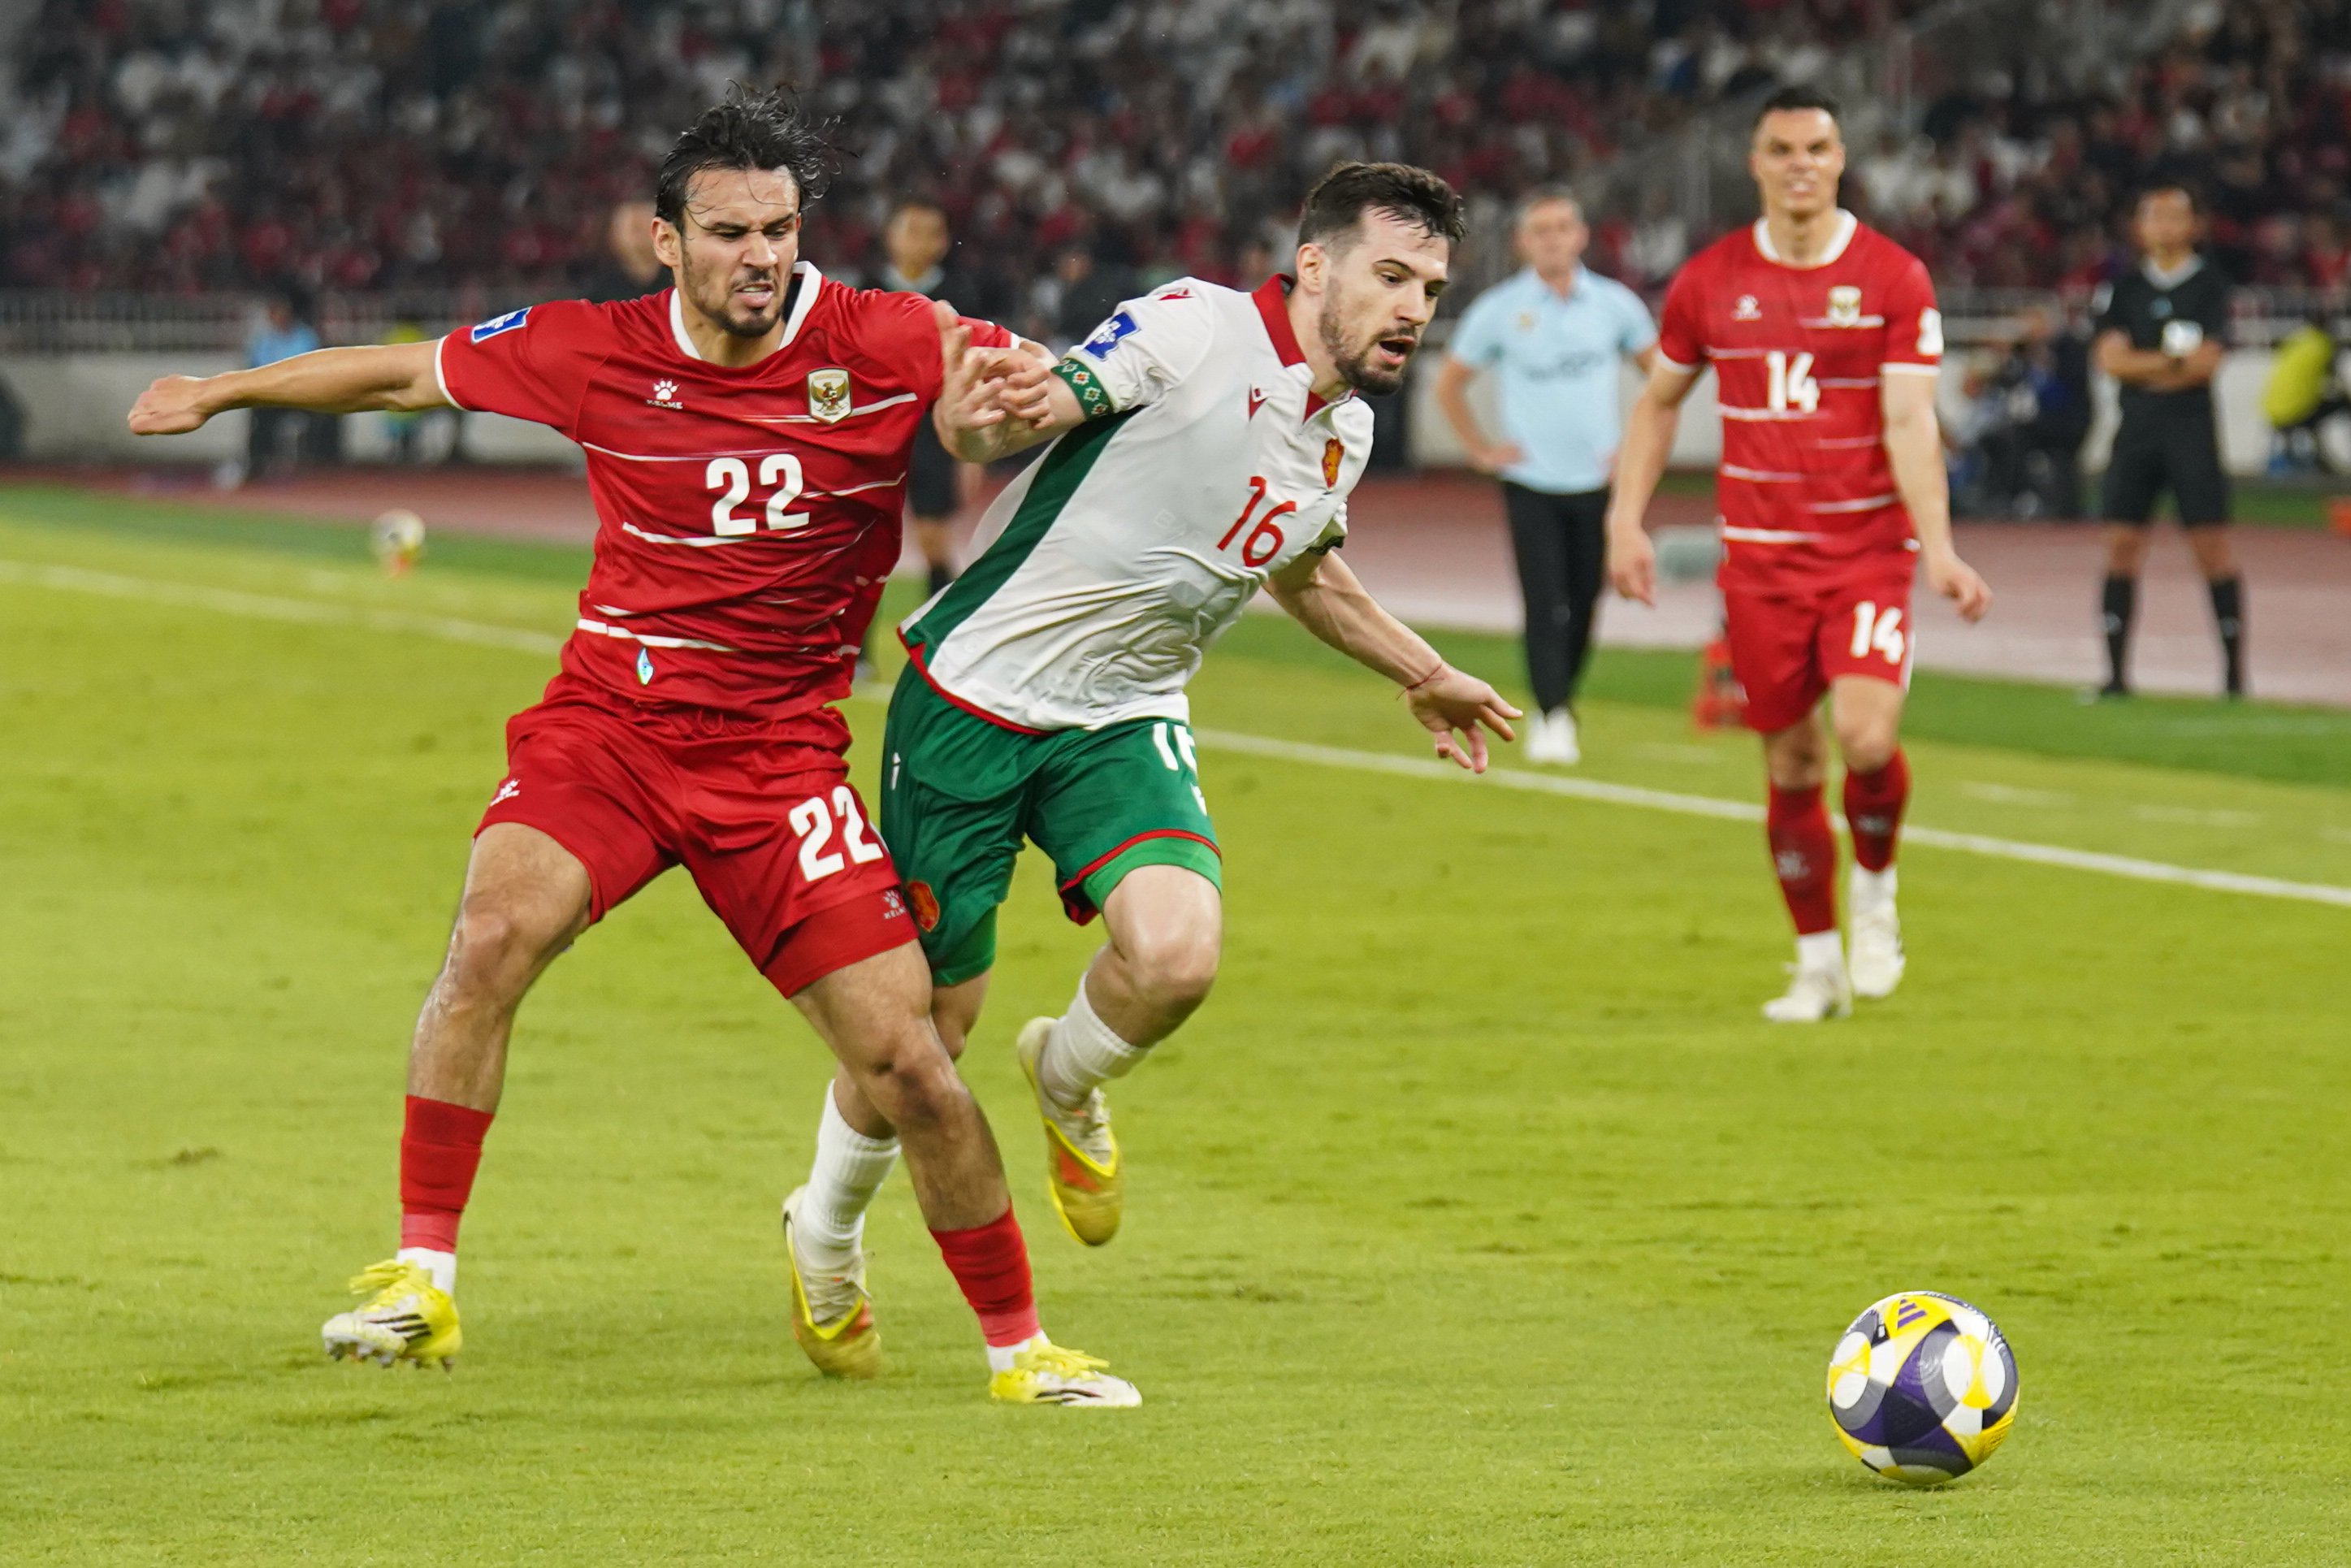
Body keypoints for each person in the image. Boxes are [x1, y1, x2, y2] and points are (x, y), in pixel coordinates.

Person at [126, 87, 1137, 1408]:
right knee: (489, 939)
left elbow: (1045, 383)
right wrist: (219, 391)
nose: (759, 256)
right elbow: (396, 368)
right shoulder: (585, 348)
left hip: (777, 756)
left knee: (909, 1066)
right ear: (665, 242)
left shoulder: (884, 335)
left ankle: (1020, 1353)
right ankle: (417, 1279)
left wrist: (1043, 393)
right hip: (610, 729)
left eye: (778, 228)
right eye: (727, 232)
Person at [784, 162, 1517, 1293]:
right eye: (1390, 275)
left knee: (1176, 957)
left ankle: (1067, 1077)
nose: (1414, 307)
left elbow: (1303, 573)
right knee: (928, 1023)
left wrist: (1422, 670)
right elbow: (1064, 392)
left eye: (1430, 284)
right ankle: (823, 1231)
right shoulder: (1194, 324)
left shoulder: (1344, 432)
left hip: (1122, 714)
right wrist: (1002, 409)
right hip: (973, 696)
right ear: (1315, 264)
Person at [1606, 86, 1994, 1024]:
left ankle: (1873, 893)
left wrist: (1935, 547)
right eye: (1780, 148)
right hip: (1760, 566)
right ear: (1754, 162)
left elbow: (1907, 418)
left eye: (1815, 147)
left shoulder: (1894, 277)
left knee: (1864, 736)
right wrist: (1625, 519)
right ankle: (1815, 965)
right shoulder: (1708, 281)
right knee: (1786, 763)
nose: (1798, 164)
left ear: (1839, 157)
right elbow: (1657, 403)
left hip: (1863, 550)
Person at [1435, 189, 1657, 764]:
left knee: (1585, 600)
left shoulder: (1614, 305)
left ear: (1582, 235)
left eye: (1562, 227)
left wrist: (1632, 448)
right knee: (1542, 601)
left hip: (1597, 480)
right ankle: (1553, 715)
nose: (1553, 239)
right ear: (1522, 242)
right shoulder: (1501, 310)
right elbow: (1448, 382)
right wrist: (1481, 450)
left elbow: (1663, 384)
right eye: (1541, 230)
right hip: (1531, 480)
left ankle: (1561, 701)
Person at [2091, 186, 2244, 700]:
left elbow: (2206, 363)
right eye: (2153, 216)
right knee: (2121, 546)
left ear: (2194, 225)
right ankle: (2115, 676)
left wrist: (2146, 366)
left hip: (2191, 432)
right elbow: (2111, 361)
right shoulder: (2123, 288)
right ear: (2139, 226)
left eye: (2174, 216)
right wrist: (2172, 364)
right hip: (2137, 433)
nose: (2163, 226)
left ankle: (2233, 675)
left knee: (2211, 547)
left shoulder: (2211, 285)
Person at [877, 199, 976, 599]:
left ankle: (936, 636)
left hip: (933, 432)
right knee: (861, 541)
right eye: (911, 230)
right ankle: (858, 657)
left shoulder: (959, 293)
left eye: (931, 232)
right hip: (873, 430)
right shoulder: (865, 290)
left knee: (934, 538)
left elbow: (974, 366)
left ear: (943, 241)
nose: (921, 242)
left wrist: (971, 451)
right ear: (891, 236)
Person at [244, 292, 323, 481]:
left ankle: (311, 464)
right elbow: (255, 365)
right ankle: (259, 463)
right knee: (258, 418)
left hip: (299, 395)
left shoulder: (304, 337)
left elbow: (308, 366)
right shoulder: (265, 339)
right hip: (271, 395)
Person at [582, 198, 668, 303]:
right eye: (636, 228)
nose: (644, 233)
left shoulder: (683, 282)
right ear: (613, 238)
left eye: (648, 224)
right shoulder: (600, 297)